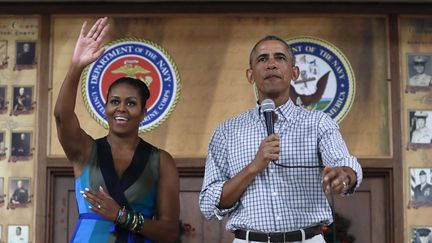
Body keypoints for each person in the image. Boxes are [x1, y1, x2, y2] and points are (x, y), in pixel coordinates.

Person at [199, 35, 363, 243]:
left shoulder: (318, 123)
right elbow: (208, 205)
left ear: (294, 73)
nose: (271, 65)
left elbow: (345, 165)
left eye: (279, 58)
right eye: (262, 59)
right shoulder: (227, 131)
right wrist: (254, 167)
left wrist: (344, 177)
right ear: (250, 75)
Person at [54, 17, 179, 243]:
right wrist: (75, 67)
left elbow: (170, 232)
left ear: (144, 112)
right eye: (114, 101)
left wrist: (121, 216)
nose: (121, 108)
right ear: (105, 108)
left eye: (131, 103)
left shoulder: (161, 160)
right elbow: (62, 117)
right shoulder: (85, 150)